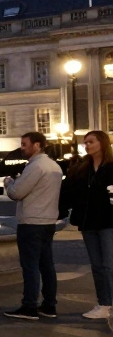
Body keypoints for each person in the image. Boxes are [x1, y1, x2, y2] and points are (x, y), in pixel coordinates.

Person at [3, 132, 63, 320]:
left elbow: (17, 193)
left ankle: (29, 306)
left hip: (31, 222)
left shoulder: (36, 166)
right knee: (47, 265)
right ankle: (49, 305)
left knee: (30, 265)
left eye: (24, 144)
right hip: (48, 221)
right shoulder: (54, 166)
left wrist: (9, 183)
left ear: (37, 145)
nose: (22, 147)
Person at [61, 130, 113, 321]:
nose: (87, 145)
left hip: (108, 222)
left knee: (108, 265)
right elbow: (69, 192)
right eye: (85, 142)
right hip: (88, 222)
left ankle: (108, 302)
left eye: (91, 141)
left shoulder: (111, 167)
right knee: (97, 266)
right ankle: (104, 303)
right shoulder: (83, 169)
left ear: (102, 143)